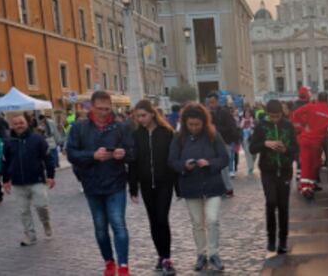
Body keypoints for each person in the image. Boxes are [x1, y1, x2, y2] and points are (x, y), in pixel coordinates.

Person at [67, 91, 135, 276]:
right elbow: (71, 154)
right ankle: (108, 262)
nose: (104, 112)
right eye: (100, 109)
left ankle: (123, 266)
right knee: (100, 228)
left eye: (107, 109)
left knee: (118, 224)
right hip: (92, 184)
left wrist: (124, 154)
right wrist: (92, 155)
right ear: (91, 106)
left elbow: (132, 152)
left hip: (116, 183)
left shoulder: (120, 127)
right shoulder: (79, 128)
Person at [169, 103, 229, 272]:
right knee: (197, 223)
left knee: (212, 219)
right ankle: (201, 254)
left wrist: (210, 163)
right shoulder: (178, 137)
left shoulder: (213, 135)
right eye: (190, 125)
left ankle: (214, 253)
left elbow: (224, 158)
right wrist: (184, 166)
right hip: (190, 185)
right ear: (185, 123)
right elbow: (172, 161)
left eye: (197, 124)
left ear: (204, 122)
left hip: (212, 184)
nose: (194, 128)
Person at [128, 100, 177, 276]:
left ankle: (167, 258)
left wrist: (178, 187)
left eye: (143, 115)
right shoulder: (136, 135)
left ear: (152, 114)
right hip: (147, 185)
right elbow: (132, 163)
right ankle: (160, 255)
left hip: (165, 183)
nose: (141, 119)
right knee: (154, 221)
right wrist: (133, 188)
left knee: (163, 219)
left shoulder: (167, 133)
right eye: (137, 116)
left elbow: (173, 160)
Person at [249, 99, 298, 254]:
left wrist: (285, 150)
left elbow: (295, 150)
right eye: (272, 116)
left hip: (284, 170)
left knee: (283, 206)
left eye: (277, 116)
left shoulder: (288, 126)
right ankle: (271, 238)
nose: (275, 119)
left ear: (282, 113)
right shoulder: (261, 126)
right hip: (268, 171)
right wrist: (265, 144)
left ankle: (283, 240)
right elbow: (251, 148)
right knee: (271, 202)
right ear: (267, 114)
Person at [2, 113, 56, 245]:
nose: (19, 125)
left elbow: (48, 158)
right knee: (23, 211)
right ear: (12, 126)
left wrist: (50, 176)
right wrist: (5, 180)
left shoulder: (38, 139)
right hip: (18, 183)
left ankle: (46, 224)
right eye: (16, 123)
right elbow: (5, 162)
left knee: (41, 206)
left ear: (27, 123)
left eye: (21, 122)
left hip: (37, 180)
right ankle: (30, 236)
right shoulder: (8, 142)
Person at [292, 91, 328, 199]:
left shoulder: (311, 107)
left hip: (305, 139)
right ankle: (309, 186)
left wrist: (304, 124)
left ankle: (305, 187)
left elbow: (295, 114)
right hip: (317, 143)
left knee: (306, 164)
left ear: (318, 99)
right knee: (314, 165)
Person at [207, 92, 238, 196]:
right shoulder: (209, 113)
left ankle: (228, 188)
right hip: (213, 143)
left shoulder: (224, 112)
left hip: (225, 142)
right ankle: (221, 189)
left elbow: (230, 127)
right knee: (217, 167)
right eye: (210, 102)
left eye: (213, 102)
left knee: (224, 167)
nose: (212, 104)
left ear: (217, 101)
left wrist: (216, 129)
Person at [239, 107, 257, 175]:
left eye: (248, 112)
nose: (247, 114)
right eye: (246, 112)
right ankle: (250, 167)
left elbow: (256, 128)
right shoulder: (242, 120)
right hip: (245, 139)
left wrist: (252, 126)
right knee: (248, 153)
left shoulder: (254, 120)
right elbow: (240, 128)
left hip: (253, 139)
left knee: (254, 154)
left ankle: (251, 164)